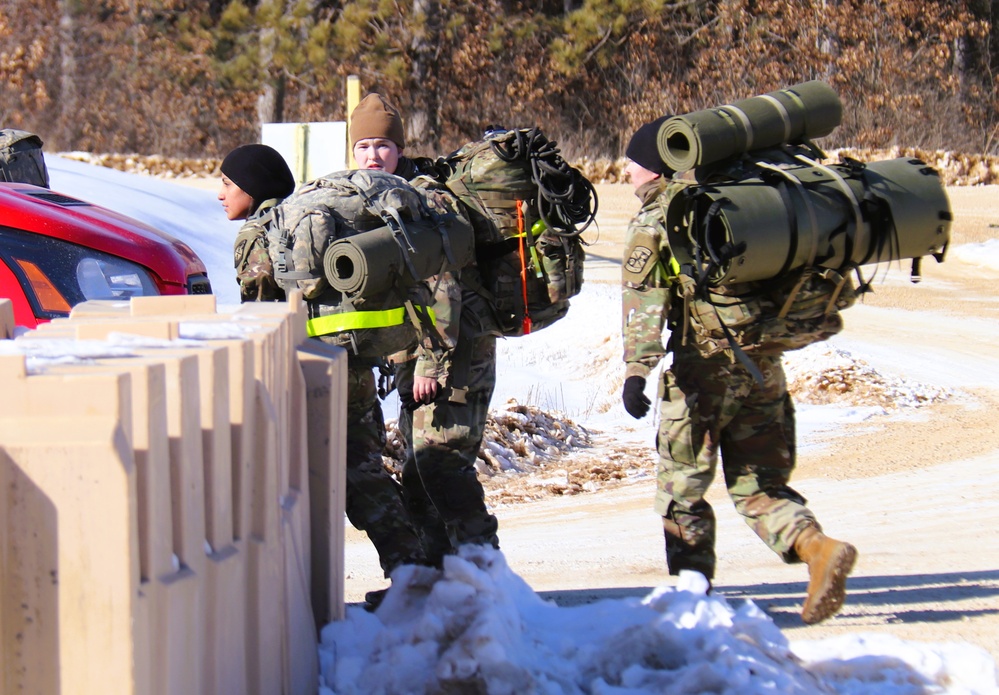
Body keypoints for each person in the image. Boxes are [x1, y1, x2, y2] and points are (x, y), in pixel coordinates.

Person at [619, 117, 858, 625]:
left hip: (702, 373)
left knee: (681, 488)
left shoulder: (661, 219)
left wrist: (637, 371)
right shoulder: (732, 201)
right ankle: (815, 548)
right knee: (759, 484)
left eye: (633, 162)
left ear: (652, 168)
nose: (627, 172)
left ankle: (692, 598)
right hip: (762, 363)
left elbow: (645, 301)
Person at [223, 141, 430, 604]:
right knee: (359, 472)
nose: (219, 193)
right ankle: (414, 568)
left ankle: (414, 576)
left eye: (227, 183)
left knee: (354, 477)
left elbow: (262, 316)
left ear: (253, 191)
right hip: (349, 361)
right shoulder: (302, 222)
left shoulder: (259, 235)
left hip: (312, 372)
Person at [350, 94, 501, 576]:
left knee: (441, 466)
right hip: (416, 355)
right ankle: (437, 585)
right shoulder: (376, 197)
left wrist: (432, 362)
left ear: (400, 147)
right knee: (420, 474)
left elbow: (443, 283)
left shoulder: (419, 198)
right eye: (363, 147)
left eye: (382, 146)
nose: (373, 156)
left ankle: (487, 579)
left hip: (454, 353)